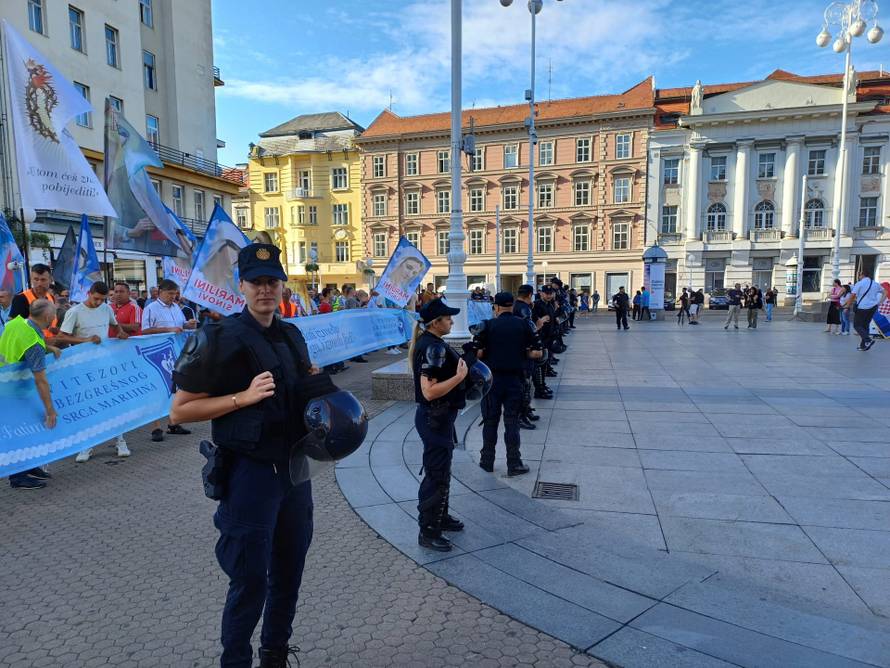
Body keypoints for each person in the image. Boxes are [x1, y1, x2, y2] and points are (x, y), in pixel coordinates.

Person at [170, 243, 324, 668]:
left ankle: (274, 654)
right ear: (241, 286)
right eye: (256, 282)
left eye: (272, 281)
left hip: (294, 472)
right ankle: (235, 662)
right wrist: (242, 397)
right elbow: (180, 410)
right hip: (250, 475)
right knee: (250, 580)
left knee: (289, 573)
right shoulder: (219, 338)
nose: (264, 290)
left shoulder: (292, 335)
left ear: (282, 286)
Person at [409, 298, 468, 552]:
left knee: (441, 472)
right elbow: (430, 392)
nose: (452, 320)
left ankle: (440, 518)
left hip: (439, 418)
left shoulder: (434, 343)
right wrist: (459, 376)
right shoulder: (432, 347)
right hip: (434, 417)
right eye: (448, 318)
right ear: (436, 322)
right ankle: (428, 530)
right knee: (435, 475)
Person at [57, 281, 131, 461]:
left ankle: (120, 441)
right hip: (83, 367)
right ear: (89, 293)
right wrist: (86, 340)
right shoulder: (74, 312)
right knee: (87, 405)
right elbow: (61, 337)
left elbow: (114, 325)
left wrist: (120, 332)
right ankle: (87, 444)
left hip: (105, 364)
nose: (99, 303)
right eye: (96, 299)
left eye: (103, 299)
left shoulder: (106, 309)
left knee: (113, 402)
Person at [475, 292, 540, 476]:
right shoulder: (525, 324)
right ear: (511, 306)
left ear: (495, 307)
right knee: (512, 422)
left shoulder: (487, 325)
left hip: (491, 382)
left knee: (490, 422)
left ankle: (486, 461)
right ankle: (514, 463)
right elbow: (538, 354)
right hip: (515, 380)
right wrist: (521, 353)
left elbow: (477, 354)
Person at [0, 299, 61, 490]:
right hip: (15, 391)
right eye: (54, 315)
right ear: (48, 317)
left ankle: (30, 466)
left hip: (7, 384)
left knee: (27, 427)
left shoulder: (16, 322)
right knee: (20, 432)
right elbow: (40, 380)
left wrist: (48, 347)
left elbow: (24, 340)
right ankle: (18, 477)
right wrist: (50, 410)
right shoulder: (33, 342)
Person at [142, 279, 197, 441]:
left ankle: (173, 423)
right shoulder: (151, 308)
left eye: (175, 294)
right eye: (170, 293)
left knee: (175, 389)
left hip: (176, 354)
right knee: (157, 390)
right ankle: (156, 427)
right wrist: (168, 329)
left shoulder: (176, 308)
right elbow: (145, 330)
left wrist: (188, 324)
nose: (173, 297)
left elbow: (180, 326)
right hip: (157, 354)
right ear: (160, 292)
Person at [513, 284, 545, 425]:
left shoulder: (516, 307)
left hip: (518, 349)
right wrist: (539, 326)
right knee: (525, 385)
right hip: (526, 350)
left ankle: (526, 410)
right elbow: (529, 329)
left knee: (525, 385)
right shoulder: (524, 309)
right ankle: (522, 414)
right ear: (530, 295)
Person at [9, 264, 57, 338]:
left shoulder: (51, 298)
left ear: (50, 280)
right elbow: (14, 328)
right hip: (33, 345)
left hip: (51, 343)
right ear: (31, 279)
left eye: (43, 280)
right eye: (36, 279)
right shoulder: (21, 299)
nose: (39, 283)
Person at [849, 269, 888, 351]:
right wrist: (880, 301)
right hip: (873, 307)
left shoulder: (859, 283)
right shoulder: (875, 283)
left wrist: (847, 305)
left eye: (859, 275)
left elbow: (852, 295)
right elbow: (885, 291)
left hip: (862, 307)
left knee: (857, 325)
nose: (859, 277)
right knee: (865, 325)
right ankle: (863, 345)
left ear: (862, 275)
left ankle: (868, 340)